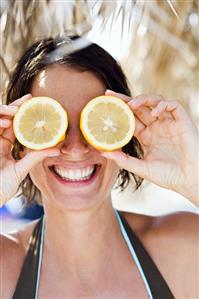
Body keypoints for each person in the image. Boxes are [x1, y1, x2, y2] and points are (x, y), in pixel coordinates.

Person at [0, 36, 198, 299]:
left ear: (125, 133)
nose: (75, 148)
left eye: (92, 123)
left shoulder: (183, 249)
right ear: (19, 142)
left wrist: (195, 181)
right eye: (49, 125)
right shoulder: (5, 268)